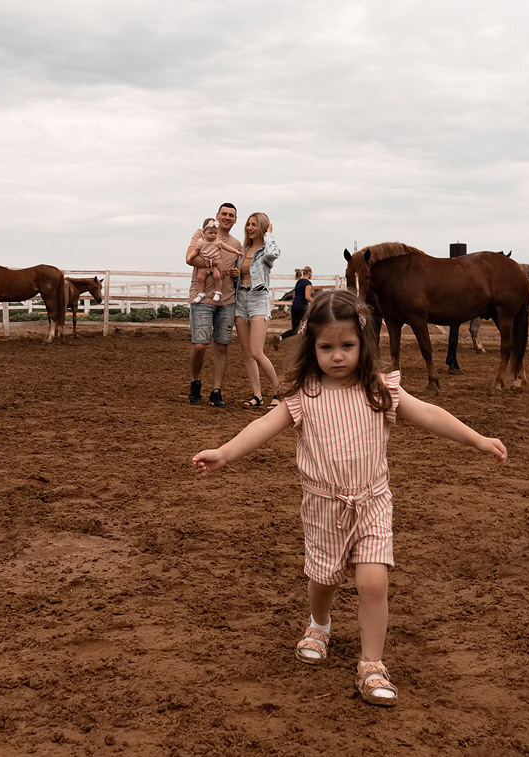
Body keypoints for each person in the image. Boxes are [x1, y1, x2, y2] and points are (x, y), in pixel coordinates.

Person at [191, 289, 507, 708]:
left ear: (364, 344)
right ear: (312, 347)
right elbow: (263, 428)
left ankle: (371, 664)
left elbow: (430, 413)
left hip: (373, 502)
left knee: (373, 581)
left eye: (347, 346)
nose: (337, 356)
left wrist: (478, 439)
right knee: (324, 579)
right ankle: (319, 624)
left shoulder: (381, 389)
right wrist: (226, 452)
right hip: (323, 506)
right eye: (326, 347)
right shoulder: (303, 395)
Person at [185, 203, 241, 407]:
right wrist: (214, 263)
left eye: (231, 215)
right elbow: (189, 259)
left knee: (222, 345)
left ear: (235, 220)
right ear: (217, 216)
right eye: (224, 214)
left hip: (227, 300)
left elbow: (237, 271)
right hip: (202, 297)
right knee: (199, 345)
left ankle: (217, 390)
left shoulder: (236, 243)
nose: (227, 217)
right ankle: (195, 380)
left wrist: (235, 272)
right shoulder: (201, 234)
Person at [233, 211, 281, 410]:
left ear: (262, 227)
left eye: (254, 225)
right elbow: (238, 274)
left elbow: (273, 254)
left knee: (257, 351)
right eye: (248, 224)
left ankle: (279, 391)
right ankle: (257, 395)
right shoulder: (243, 249)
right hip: (240, 300)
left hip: (258, 299)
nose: (250, 228)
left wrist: (269, 234)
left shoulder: (265, 250)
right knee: (246, 352)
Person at [187, 218, 245, 304]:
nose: (213, 235)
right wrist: (190, 257)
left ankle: (218, 292)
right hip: (205, 264)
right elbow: (195, 251)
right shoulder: (200, 240)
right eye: (210, 233)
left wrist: (236, 252)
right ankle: (200, 294)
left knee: (217, 276)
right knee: (200, 278)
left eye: (215, 233)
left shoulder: (219, 241)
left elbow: (227, 247)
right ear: (204, 233)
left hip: (226, 299)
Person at [277, 265, 314, 343]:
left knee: (294, 330)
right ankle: (305, 341)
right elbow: (307, 297)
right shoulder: (308, 283)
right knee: (312, 323)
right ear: (309, 272)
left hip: (294, 306)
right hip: (302, 306)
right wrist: (315, 301)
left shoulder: (299, 282)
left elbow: (294, 295)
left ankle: (280, 337)